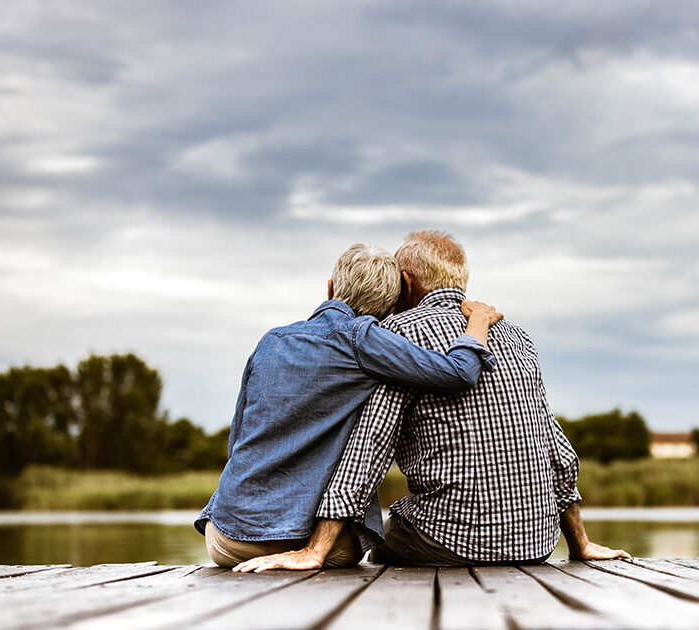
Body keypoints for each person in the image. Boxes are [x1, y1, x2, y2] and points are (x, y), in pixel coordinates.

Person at [233, 230, 626, 572]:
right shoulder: (516, 336)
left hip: (448, 540)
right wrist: (580, 544)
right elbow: (555, 446)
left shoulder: (397, 333)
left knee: (374, 539)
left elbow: (368, 447)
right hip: (535, 544)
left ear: (404, 283)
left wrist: (315, 550)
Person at [195, 242, 503, 569]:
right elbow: (459, 372)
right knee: (366, 545)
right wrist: (479, 322)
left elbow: (238, 440)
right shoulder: (365, 339)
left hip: (226, 538)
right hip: (304, 540)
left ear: (330, 288)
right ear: (391, 309)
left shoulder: (271, 340)